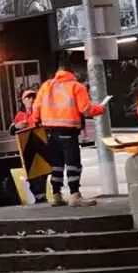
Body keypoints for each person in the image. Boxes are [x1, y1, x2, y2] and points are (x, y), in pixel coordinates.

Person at [32, 61, 106, 208]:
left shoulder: (46, 86)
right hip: (68, 131)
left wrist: (36, 120)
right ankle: (74, 195)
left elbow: (36, 108)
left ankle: (56, 195)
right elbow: (86, 109)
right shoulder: (76, 87)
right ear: (72, 73)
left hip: (49, 131)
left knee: (56, 165)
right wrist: (100, 108)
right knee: (73, 164)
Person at [11, 89, 49, 202]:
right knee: (32, 172)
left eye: (33, 97)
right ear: (23, 101)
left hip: (42, 148)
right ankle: (39, 196)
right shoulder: (20, 116)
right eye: (29, 97)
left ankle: (41, 195)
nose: (32, 100)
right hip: (28, 149)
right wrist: (17, 127)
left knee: (43, 171)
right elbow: (11, 130)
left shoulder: (42, 112)